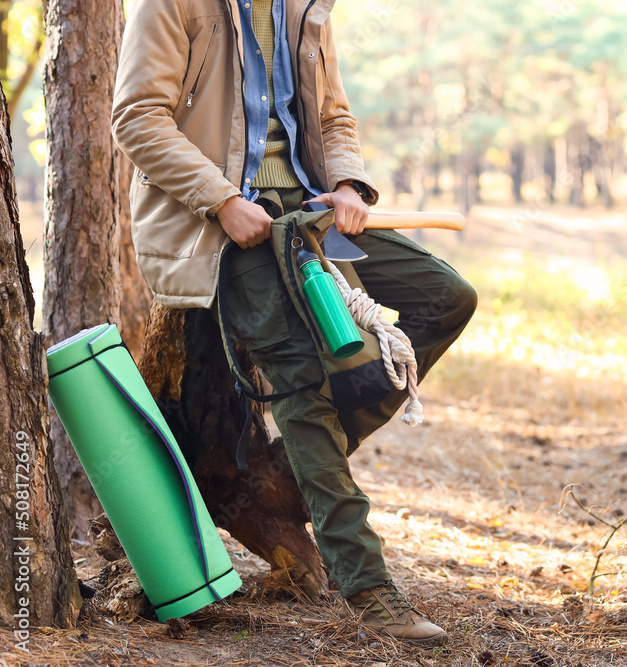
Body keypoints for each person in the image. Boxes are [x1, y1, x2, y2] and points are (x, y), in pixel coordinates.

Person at [111, 0, 476, 645]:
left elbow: (333, 115)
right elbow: (138, 117)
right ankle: (368, 588)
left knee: (447, 296)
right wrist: (222, 200)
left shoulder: (306, 6)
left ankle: (290, 470)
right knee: (304, 381)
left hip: (309, 209)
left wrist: (348, 185)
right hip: (226, 224)